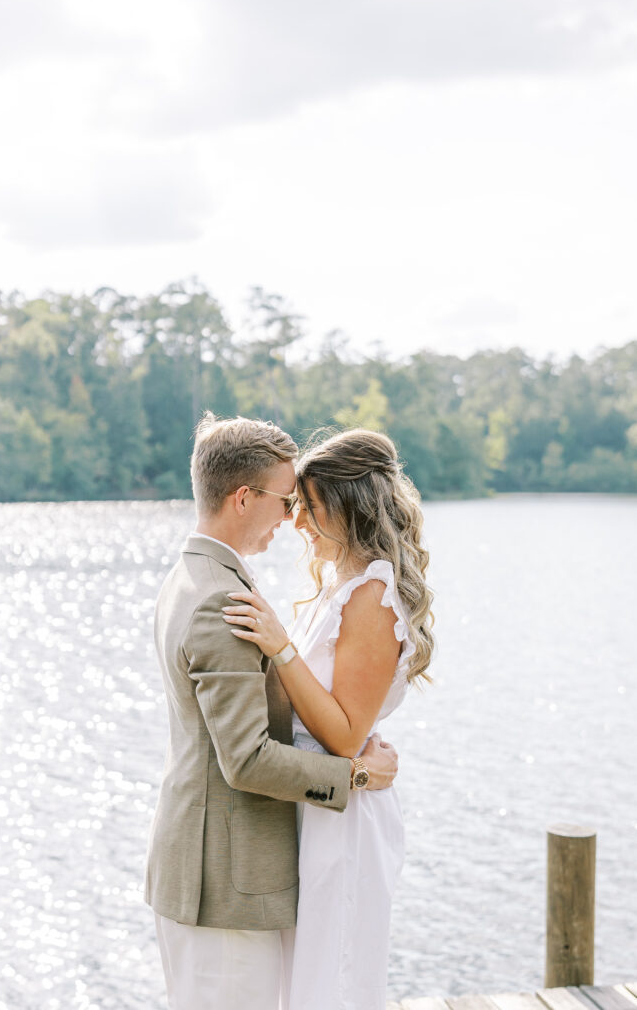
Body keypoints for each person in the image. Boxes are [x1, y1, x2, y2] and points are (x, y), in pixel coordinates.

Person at [144, 413, 399, 1010]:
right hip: (224, 883)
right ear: (242, 497)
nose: (291, 519)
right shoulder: (220, 600)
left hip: (209, 872)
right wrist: (358, 774)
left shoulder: (194, 575)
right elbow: (247, 760)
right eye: (286, 501)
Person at [223, 427, 434, 1010]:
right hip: (312, 806)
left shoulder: (372, 595)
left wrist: (279, 646)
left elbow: (342, 737)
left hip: (342, 822)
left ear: (349, 509)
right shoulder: (341, 586)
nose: (296, 523)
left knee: (332, 981)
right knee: (305, 979)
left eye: (309, 508)